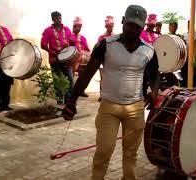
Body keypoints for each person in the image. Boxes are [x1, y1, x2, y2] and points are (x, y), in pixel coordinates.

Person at [62, 5, 160, 180]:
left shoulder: (149, 50)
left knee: (131, 154)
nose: (132, 29)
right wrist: (72, 100)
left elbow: (155, 75)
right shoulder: (105, 45)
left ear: (143, 27)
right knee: (103, 151)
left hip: (135, 109)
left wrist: (154, 92)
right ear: (123, 21)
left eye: (137, 26)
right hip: (109, 108)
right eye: (129, 24)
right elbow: (87, 74)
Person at [41, 11, 75, 104]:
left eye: (60, 18)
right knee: (57, 80)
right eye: (57, 18)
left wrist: (72, 42)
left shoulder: (67, 29)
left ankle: (68, 100)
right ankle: (59, 100)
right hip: (54, 59)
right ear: (53, 19)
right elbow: (43, 44)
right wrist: (50, 51)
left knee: (70, 78)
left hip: (66, 59)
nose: (59, 20)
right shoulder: (48, 30)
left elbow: (72, 42)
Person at [0, 4, 14, 113]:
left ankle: (5, 104)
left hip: (6, 64)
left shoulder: (4, 30)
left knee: (6, 84)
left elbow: (11, 43)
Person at [97, 16, 115, 102]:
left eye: (112, 26)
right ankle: (102, 94)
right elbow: (97, 49)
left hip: (113, 60)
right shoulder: (101, 37)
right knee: (103, 77)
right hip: (104, 60)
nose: (110, 28)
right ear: (106, 27)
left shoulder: (116, 37)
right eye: (109, 26)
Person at [72, 16, 91, 97]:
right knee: (71, 76)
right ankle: (72, 92)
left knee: (82, 76)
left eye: (80, 27)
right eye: (78, 27)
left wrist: (87, 54)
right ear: (74, 26)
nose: (79, 28)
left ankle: (81, 91)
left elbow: (87, 49)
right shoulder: (69, 36)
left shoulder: (83, 38)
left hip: (82, 61)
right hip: (73, 60)